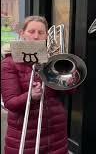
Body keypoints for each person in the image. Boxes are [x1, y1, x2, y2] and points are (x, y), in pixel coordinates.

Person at [1, 16, 72, 154]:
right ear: (22, 34)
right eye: (31, 31)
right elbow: (10, 102)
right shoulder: (9, 63)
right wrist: (30, 96)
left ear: (46, 35)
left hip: (56, 131)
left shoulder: (53, 59)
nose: (36, 36)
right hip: (25, 136)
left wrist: (70, 80)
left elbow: (69, 92)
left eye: (41, 32)